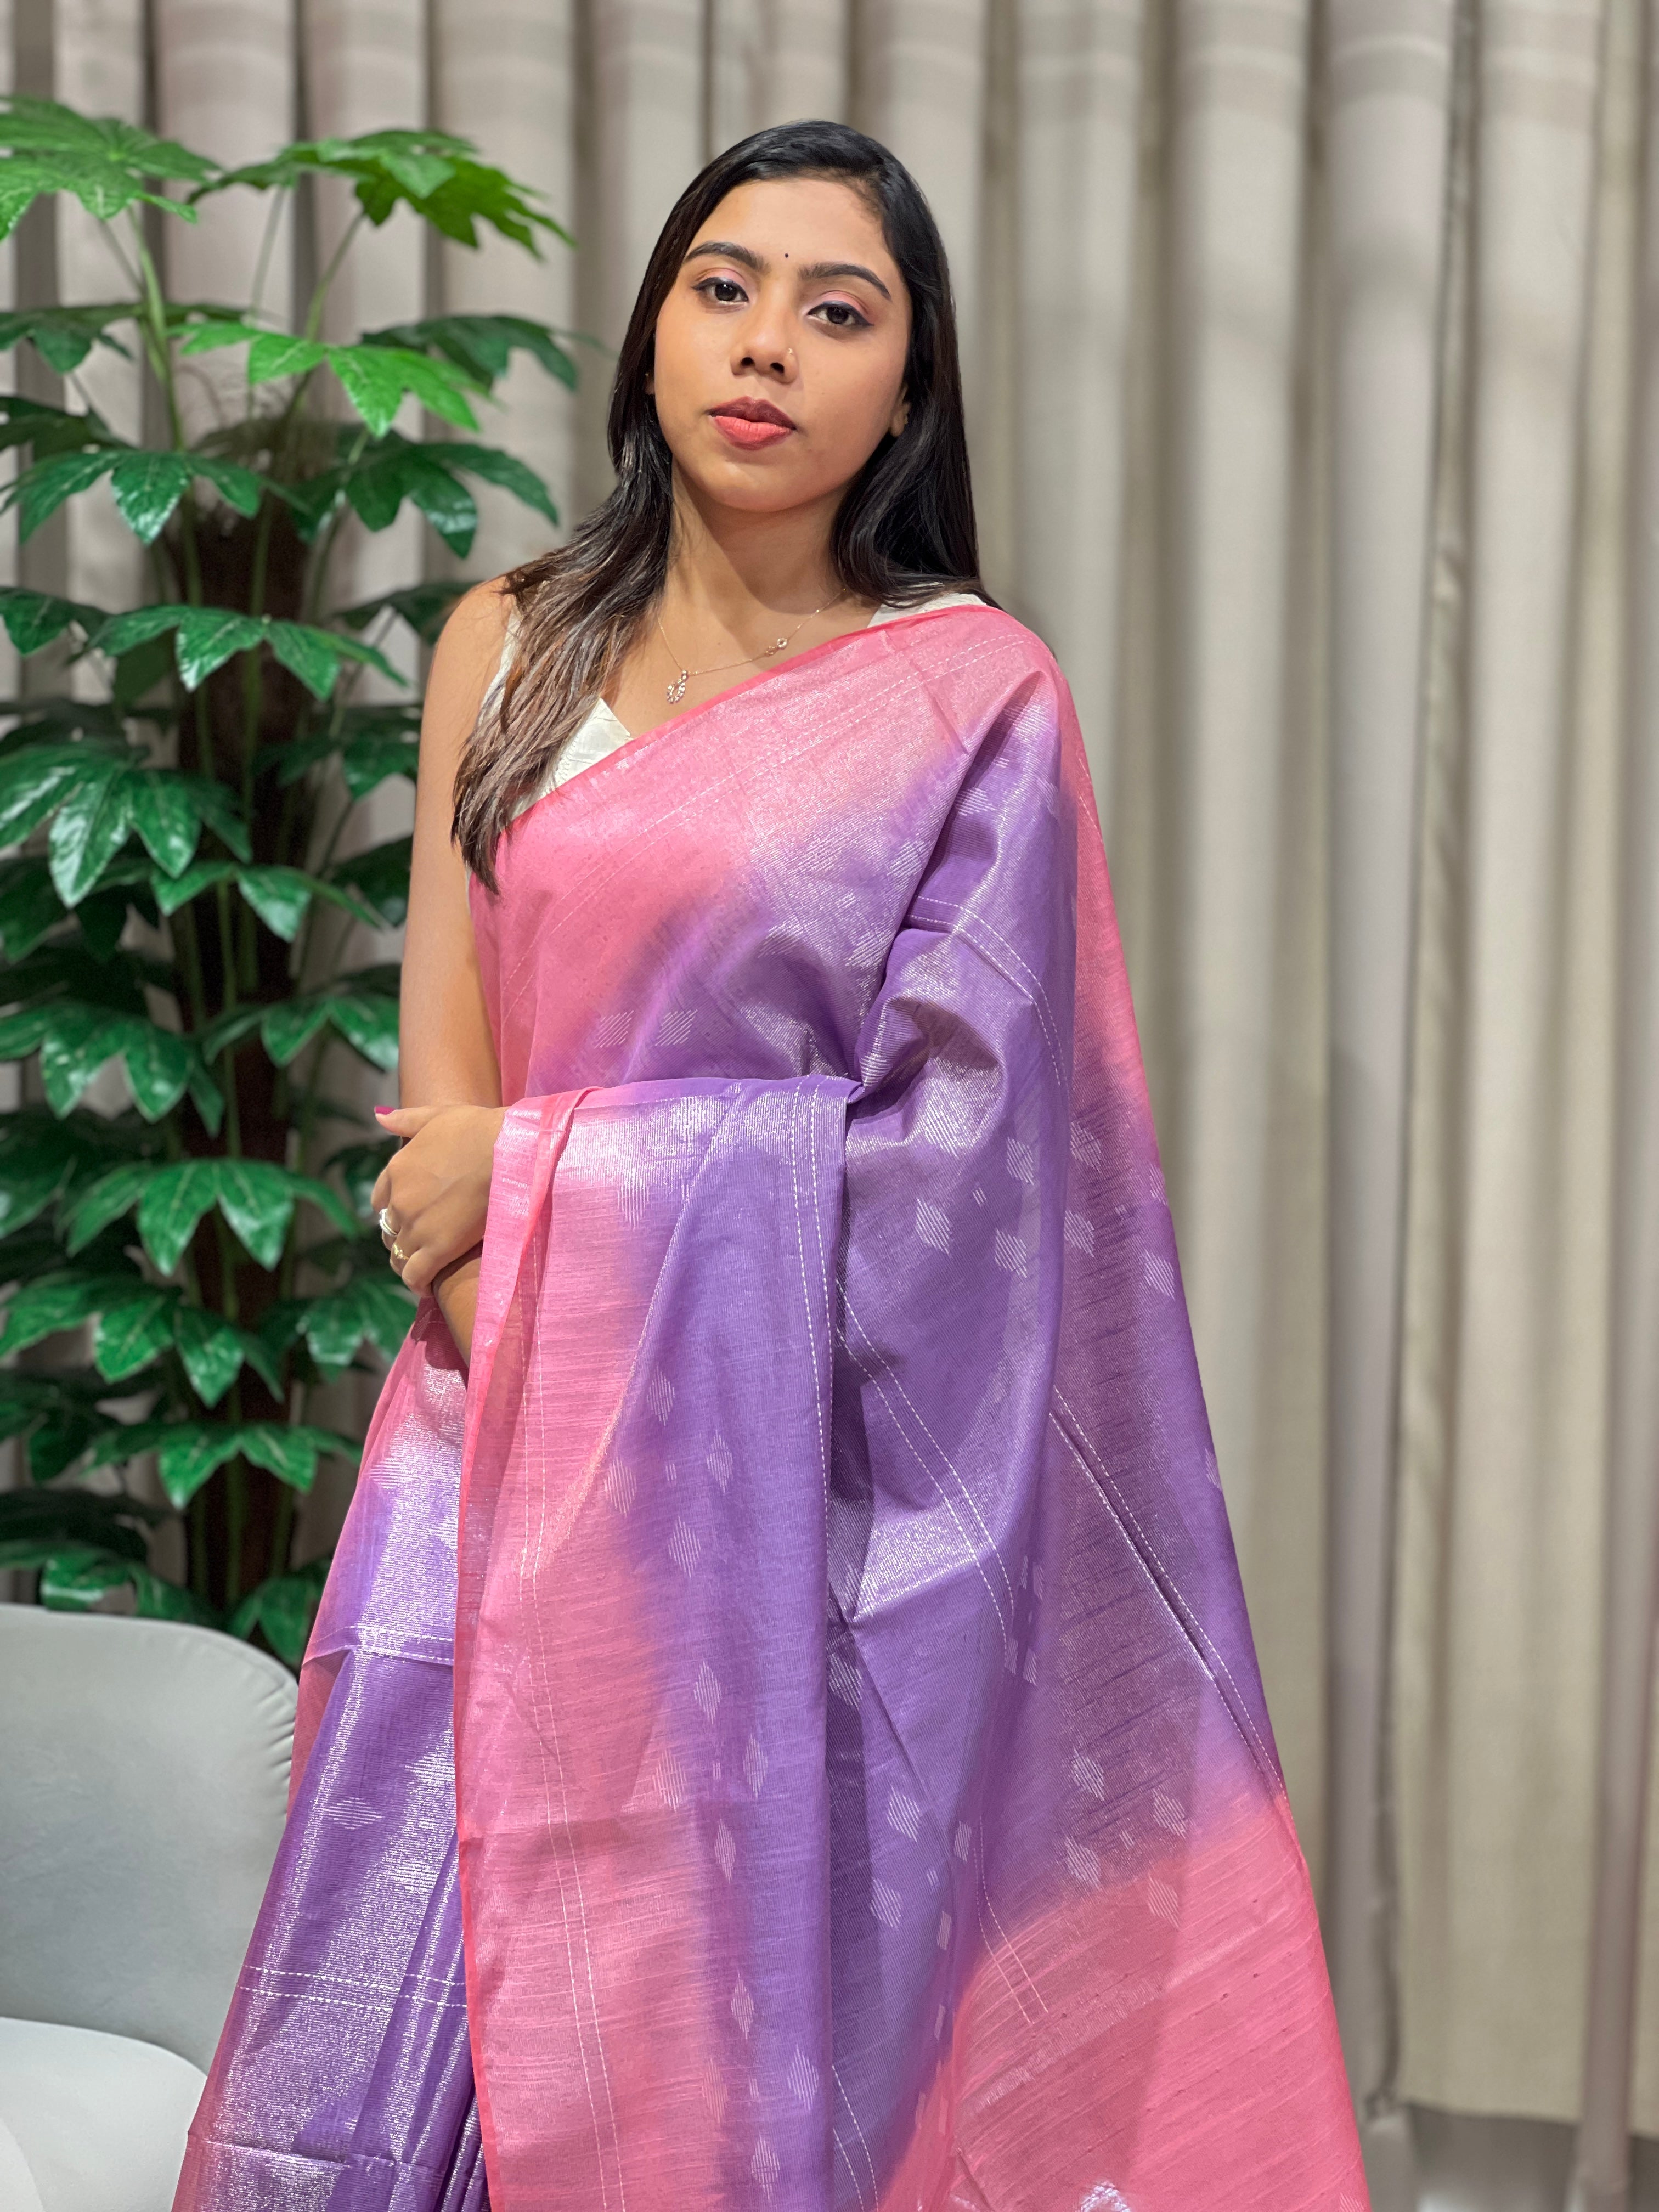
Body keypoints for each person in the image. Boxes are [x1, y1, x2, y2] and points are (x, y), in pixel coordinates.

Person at [175, 122, 1365, 2212]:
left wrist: (548, 1200)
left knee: (760, 2074)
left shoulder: (972, 699)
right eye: (722, 289)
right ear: (653, 330)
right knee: (407, 2062)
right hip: (490, 1468)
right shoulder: (506, 644)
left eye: (839, 312)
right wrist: (527, 1296)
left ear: (906, 392)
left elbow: (974, 1187)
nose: (766, 346)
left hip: (810, 1520)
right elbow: (438, 1130)